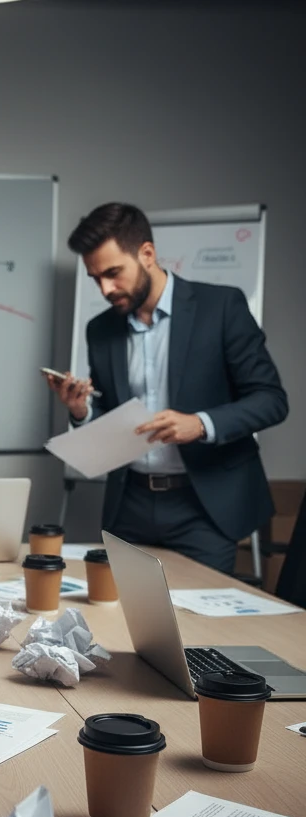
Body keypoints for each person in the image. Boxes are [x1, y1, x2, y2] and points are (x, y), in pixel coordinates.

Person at [49, 203, 288, 573]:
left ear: (147, 254)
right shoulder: (100, 329)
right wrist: (81, 411)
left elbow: (271, 400)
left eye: (113, 273)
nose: (106, 289)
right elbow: (111, 414)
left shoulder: (221, 307)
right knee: (120, 623)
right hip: (129, 505)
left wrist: (201, 424)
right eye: (96, 278)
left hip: (204, 507)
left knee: (200, 628)